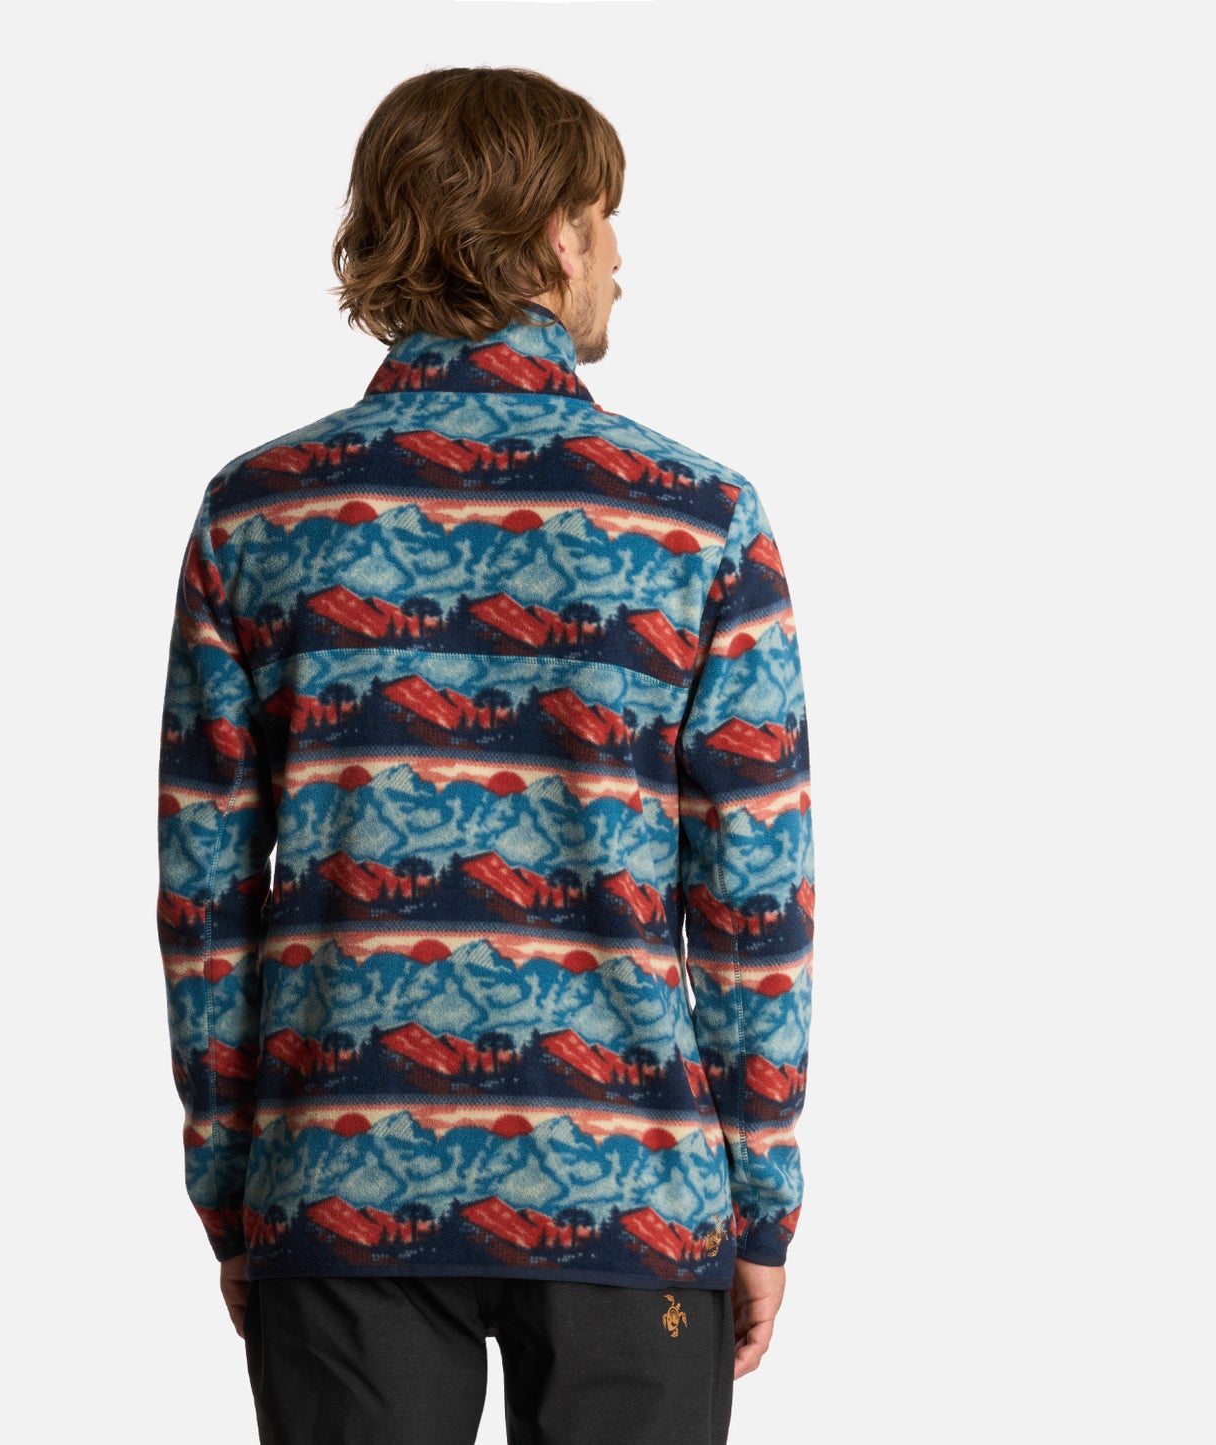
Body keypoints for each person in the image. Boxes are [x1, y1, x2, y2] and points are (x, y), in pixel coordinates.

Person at [155, 65, 815, 1445]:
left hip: (337, 1184)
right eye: (606, 219)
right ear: (556, 235)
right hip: (632, 1192)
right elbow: (754, 901)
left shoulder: (260, 513)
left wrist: (235, 1187)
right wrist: (757, 1201)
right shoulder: (698, 520)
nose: (621, 260)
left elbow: (204, 903)